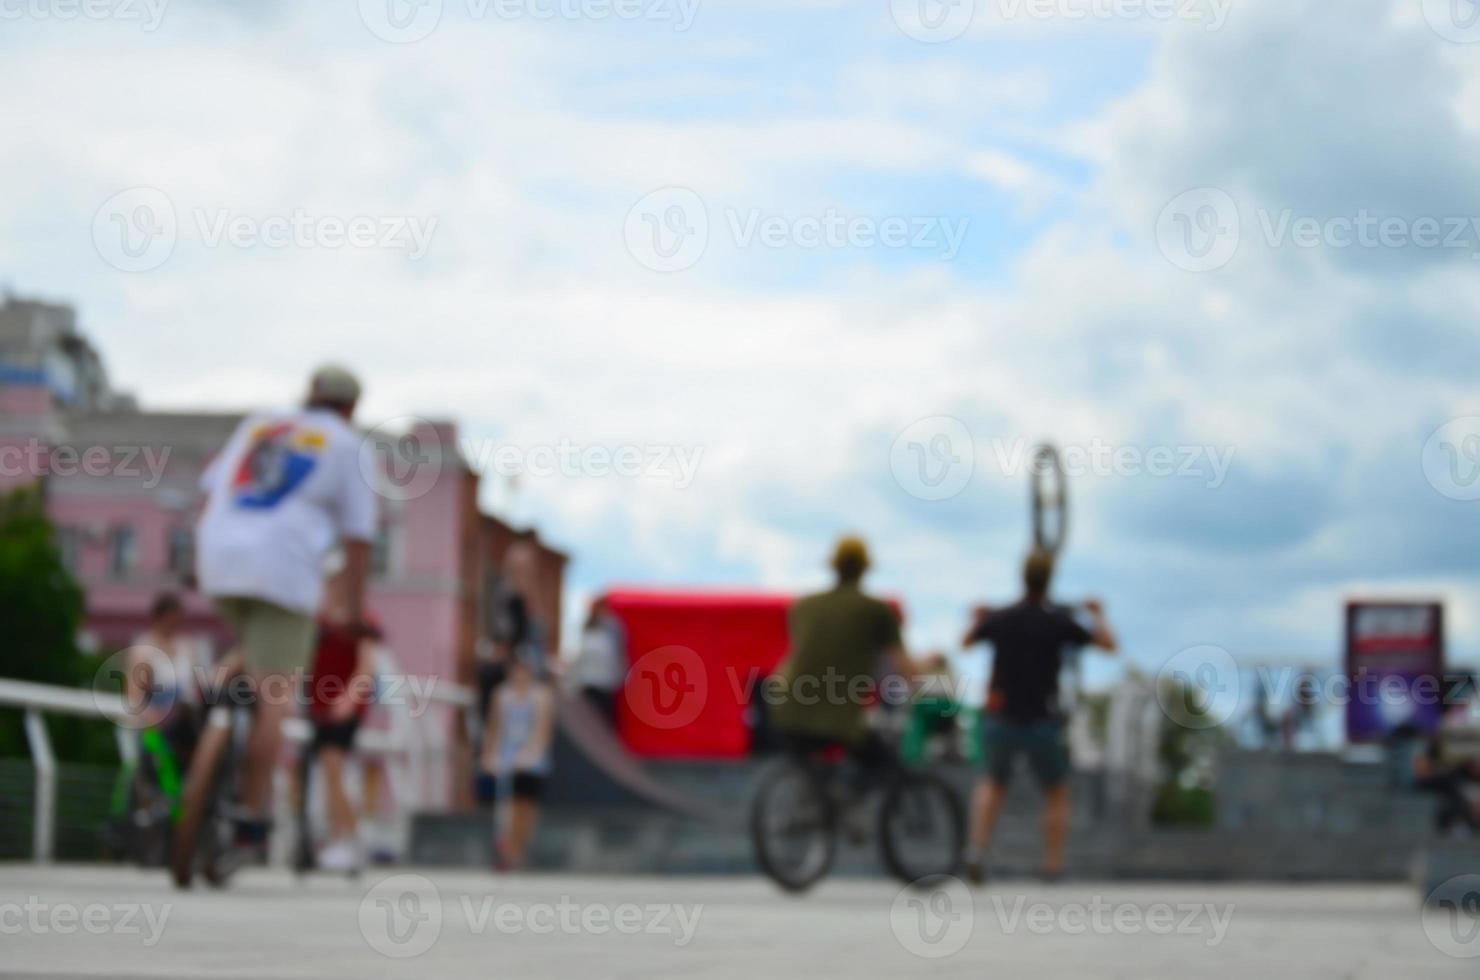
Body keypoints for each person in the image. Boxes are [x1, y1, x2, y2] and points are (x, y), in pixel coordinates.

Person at [184, 365, 379, 873]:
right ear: (351, 408)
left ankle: (200, 702)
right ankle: (247, 815)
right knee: (276, 693)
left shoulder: (261, 424)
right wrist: (353, 614)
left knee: (253, 645)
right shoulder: (348, 445)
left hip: (218, 555)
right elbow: (359, 540)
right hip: (284, 572)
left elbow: (213, 488)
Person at [961, 550, 1117, 884]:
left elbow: (966, 642)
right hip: (1042, 720)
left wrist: (977, 617)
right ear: (1050, 579)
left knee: (992, 782)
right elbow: (1109, 645)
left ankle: (977, 849)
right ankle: (1052, 865)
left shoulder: (1003, 617)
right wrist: (1098, 615)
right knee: (1057, 792)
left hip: (1001, 716)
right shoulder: (1057, 620)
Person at [768, 536, 924, 771]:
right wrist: (923, 689)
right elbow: (902, 664)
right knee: (884, 765)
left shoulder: (804, 606)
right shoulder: (876, 610)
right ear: (865, 568)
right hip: (837, 718)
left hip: (785, 706)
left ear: (833, 564)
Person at [303, 574, 378, 872]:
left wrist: (348, 698)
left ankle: (350, 838)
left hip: (343, 709)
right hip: (319, 706)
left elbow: (366, 666)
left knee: (334, 769)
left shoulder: (362, 621)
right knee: (327, 772)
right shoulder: (320, 621)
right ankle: (338, 838)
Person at [481, 650, 556, 870]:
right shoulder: (502, 695)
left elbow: (543, 729)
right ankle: (510, 851)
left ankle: (521, 847)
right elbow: (495, 727)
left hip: (531, 759)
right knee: (508, 806)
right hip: (507, 757)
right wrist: (489, 753)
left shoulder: (541, 696)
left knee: (527, 806)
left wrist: (532, 753)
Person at [573, 597, 626, 725]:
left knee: (603, 720)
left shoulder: (613, 627)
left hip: (605, 684)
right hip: (588, 682)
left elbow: (618, 653)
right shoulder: (588, 627)